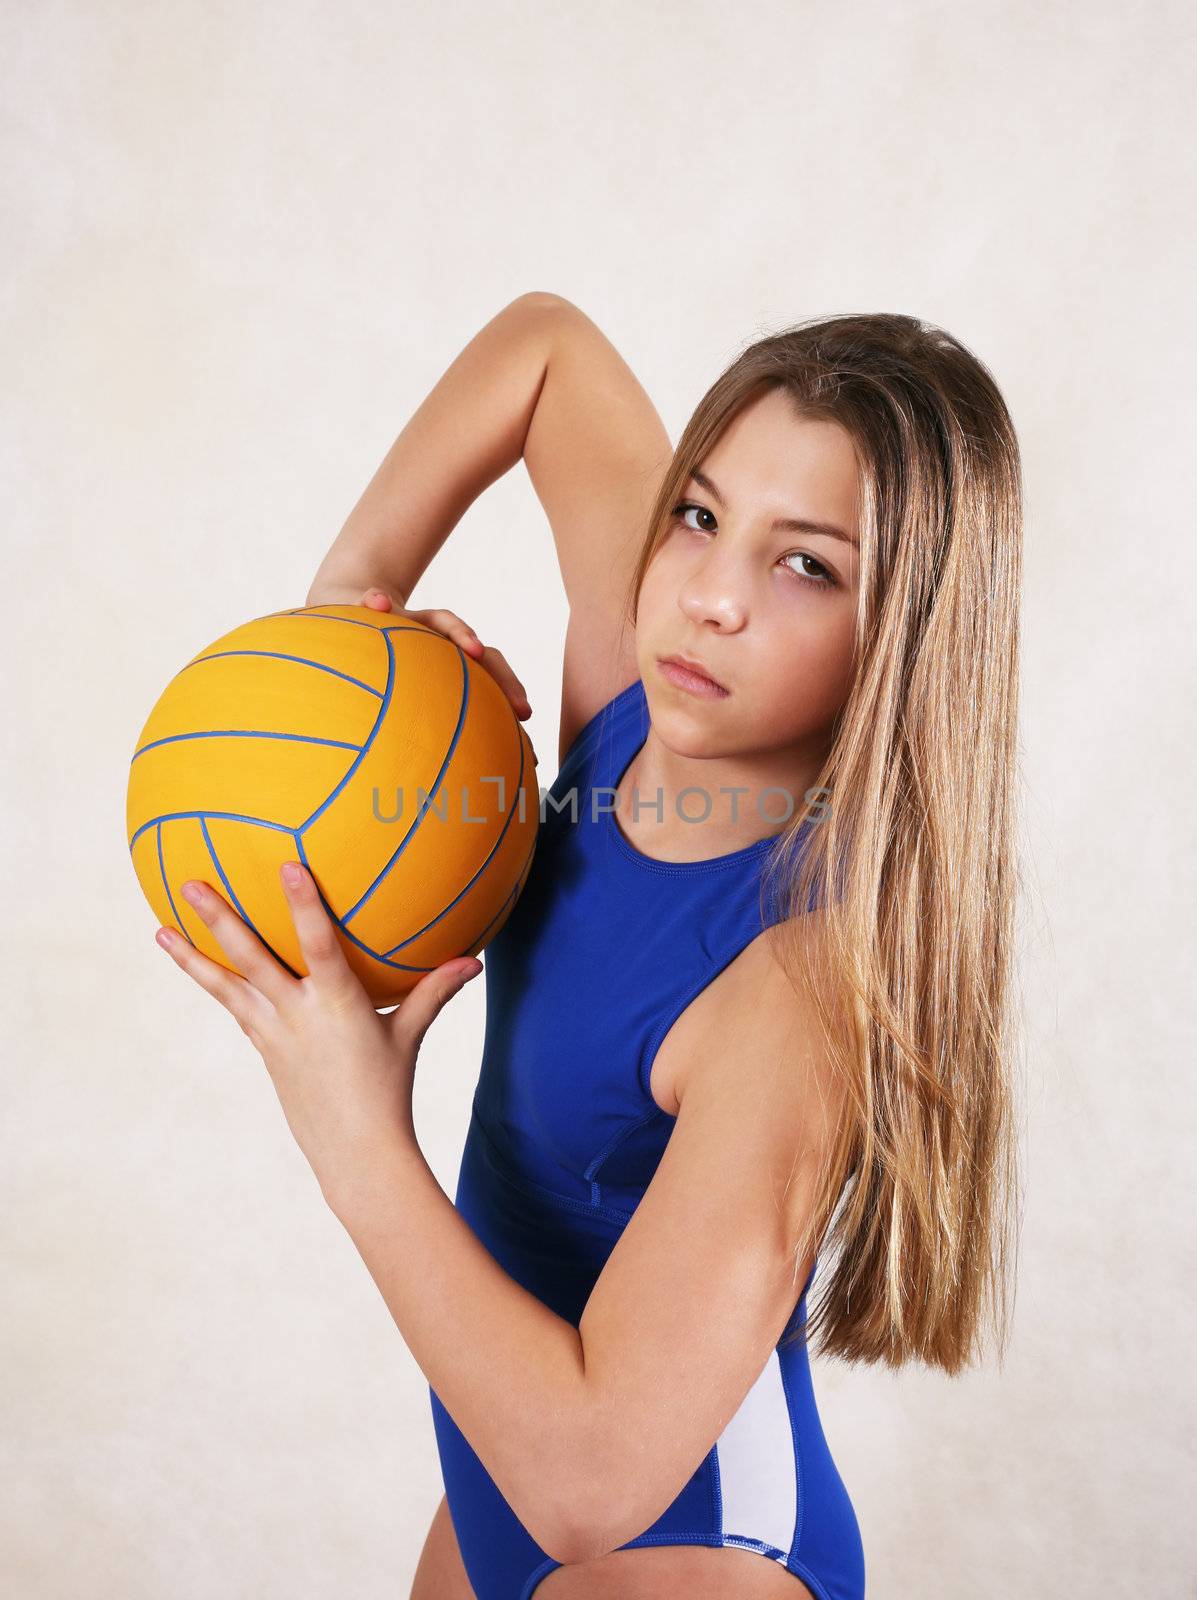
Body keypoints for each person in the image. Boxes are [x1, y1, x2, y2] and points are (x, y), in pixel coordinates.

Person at [199, 291, 1023, 1599]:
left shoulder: (798, 988)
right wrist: (346, 626)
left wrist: (351, 1134)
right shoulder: (629, 704)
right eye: (699, 516)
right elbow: (545, 349)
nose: (709, 598)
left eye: (804, 564)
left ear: (903, 636)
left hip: (668, 1544)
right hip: (497, 1468)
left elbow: (589, 1487)